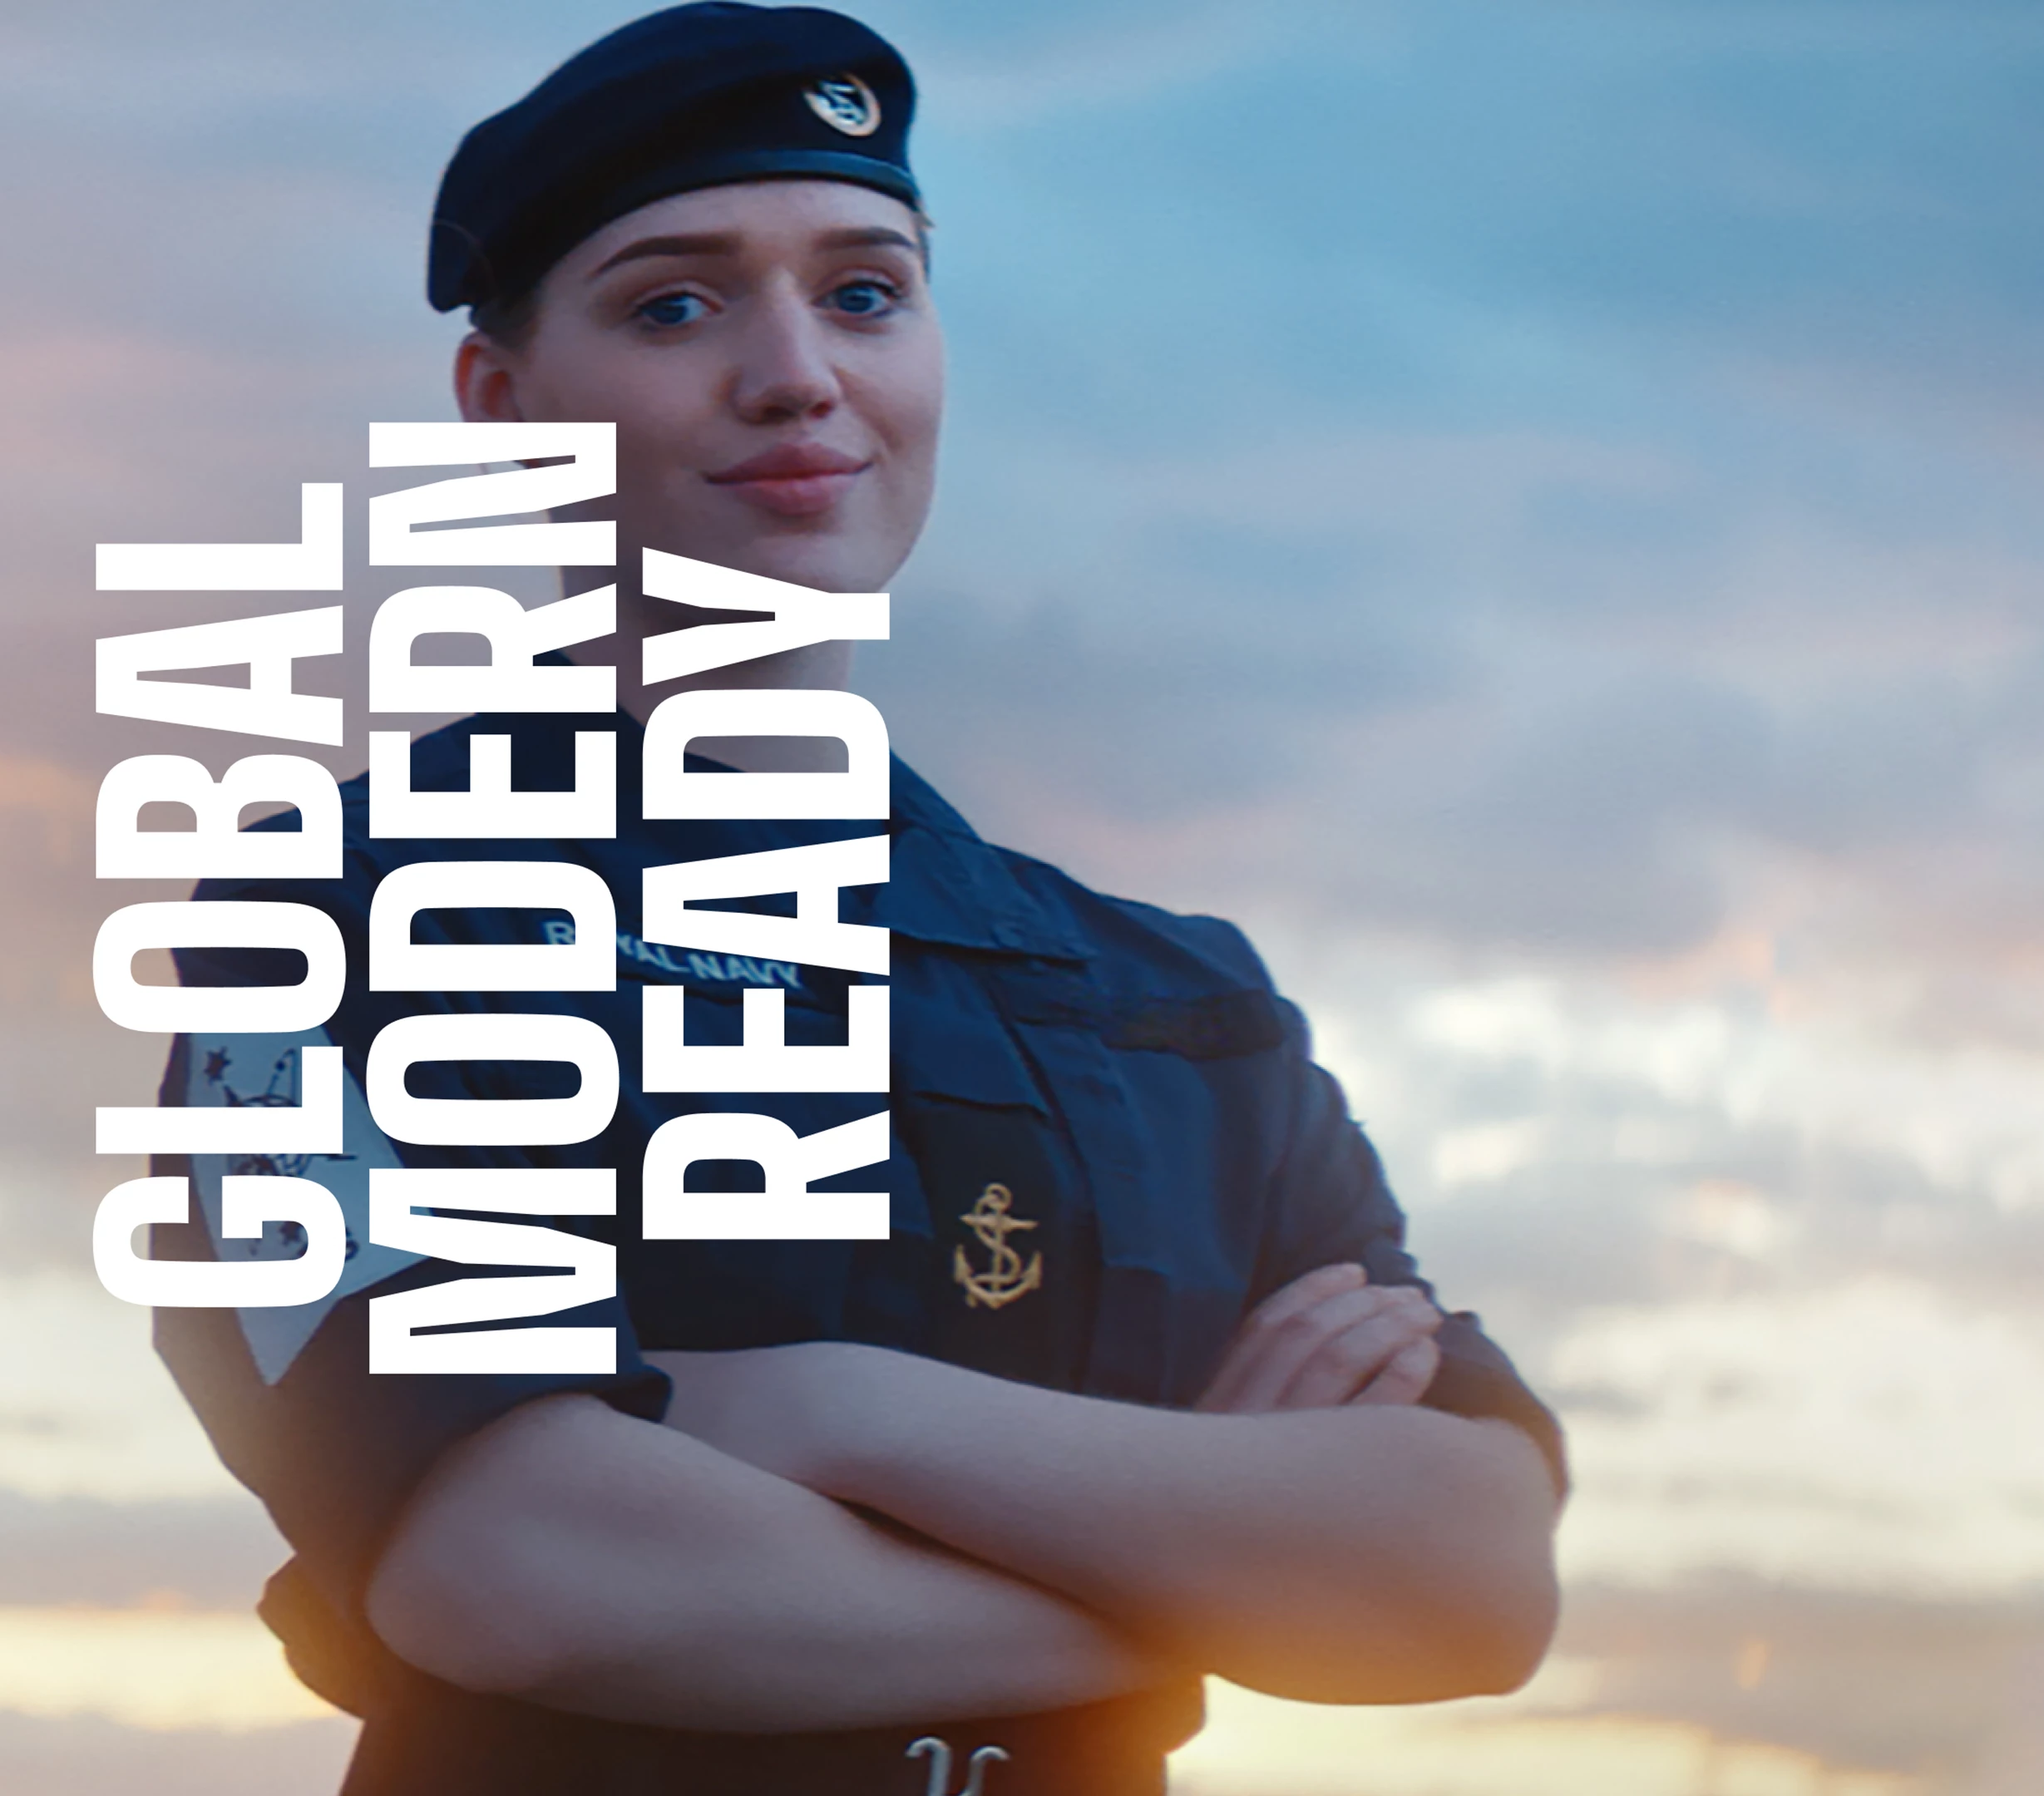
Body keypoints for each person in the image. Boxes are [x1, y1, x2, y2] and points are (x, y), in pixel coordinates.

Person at [148, 7, 1568, 1792]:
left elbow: (1469, 1577)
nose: (797, 372)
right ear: (505, 412)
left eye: (867, 291)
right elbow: (528, 1569)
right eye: (676, 303)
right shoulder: (353, 921)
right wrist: (1217, 1583)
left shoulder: (1186, 1011)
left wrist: (826, 1407)